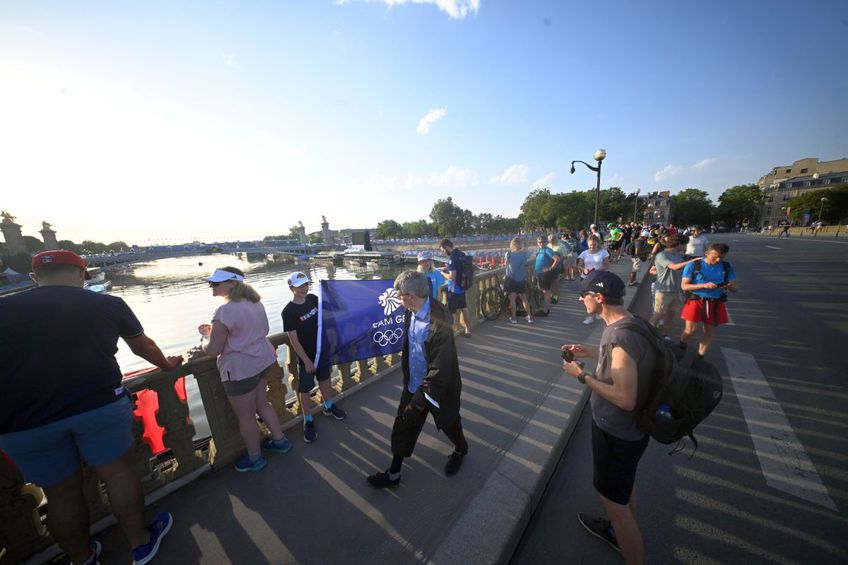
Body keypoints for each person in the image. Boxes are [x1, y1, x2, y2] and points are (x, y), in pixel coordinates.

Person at [0, 250, 180, 565]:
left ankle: (82, 558)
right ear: (83, 274)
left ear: (34, 277)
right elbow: (143, 346)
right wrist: (166, 364)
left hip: (24, 420)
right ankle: (140, 542)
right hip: (98, 406)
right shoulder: (108, 304)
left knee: (59, 493)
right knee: (118, 474)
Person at [561, 270, 656, 565]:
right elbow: (620, 359)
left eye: (584, 295)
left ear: (599, 298)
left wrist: (582, 376)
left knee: (613, 500)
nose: (580, 299)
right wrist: (589, 351)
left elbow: (625, 398)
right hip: (632, 431)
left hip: (617, 432)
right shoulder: (629, 321)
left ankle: (621, 531)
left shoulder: (620, 336)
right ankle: (618, 521)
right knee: (622, 486)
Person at [367, 271, 469, 488]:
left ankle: (461, 449)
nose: (399, 300)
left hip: (438, 388)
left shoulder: (440, 324)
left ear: (411, 295)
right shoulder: (411, 310)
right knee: (403, 427)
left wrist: (418, 402)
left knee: (450, 423)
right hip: (414, 384)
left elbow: (440, 372)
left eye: (400, 296)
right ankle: (394, 474)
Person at [199, 267, 292, 472]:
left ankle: (254, 458)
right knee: (263, 403)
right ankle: (280, 441)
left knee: (246, 416)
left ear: (232, 283)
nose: (211, 286)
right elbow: (262, 331)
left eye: (216, 283)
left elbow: (214, 350)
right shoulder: (256, 303)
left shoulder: (224, 311)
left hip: (240, 369)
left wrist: (205, 337)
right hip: (261, 360)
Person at [282, 271, 346, 444]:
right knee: (305, 389)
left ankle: (328, 407)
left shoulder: (311, 299)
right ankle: (308, 420)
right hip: (307, 357)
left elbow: (334, 309)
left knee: (325, 380)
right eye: (299, 286)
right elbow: (293, 340)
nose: (303, 288)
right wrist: (306, 360)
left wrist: (330, 290)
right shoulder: (288, 311)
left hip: (322, 351)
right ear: (291, 288)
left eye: (305, 285)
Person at [680, 243, 738, 357]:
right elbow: (684, 286)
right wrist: (703, 285)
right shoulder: (694, 265)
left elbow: (735, 288)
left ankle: (699, 357)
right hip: (696, 300)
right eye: (714, 257)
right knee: (690, 331)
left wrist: (729, 286)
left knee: (709, 332)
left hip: (714, 302)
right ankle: (682, 344)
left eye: (721, 257)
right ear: (706, 253)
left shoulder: (726, 266)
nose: (718, 260)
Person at [649, 234, 700, 340]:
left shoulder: (678, 256)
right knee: (659, 315)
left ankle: (665, 336)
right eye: (685, 244)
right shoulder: (662, 255)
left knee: (671, 315)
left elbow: (683, 271)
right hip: (664, 290)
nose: (686, 247)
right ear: (679, 244)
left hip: (677, 290)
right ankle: (648, 335)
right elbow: (675, 267)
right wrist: (692, 261)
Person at [439, 239, 472, 338]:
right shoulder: (461, 254)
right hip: (462, 287)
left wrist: (442, 273)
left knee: (452, 312)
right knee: (464, 309)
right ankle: (468, 330)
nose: (444, 252)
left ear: (446, 247)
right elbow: (460, 269)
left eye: (443, 250)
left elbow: (452, 277)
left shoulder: (452, 257)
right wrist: (448, 269)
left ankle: (451, 335)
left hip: (454, 289)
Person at [577, 235, 611, 325]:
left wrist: (597, 271)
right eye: (590, 245)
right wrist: (584, 269)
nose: (592, 246)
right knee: (587, 298)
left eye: (594, 244)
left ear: (598, 244)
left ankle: (598, 312)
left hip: (599, 277)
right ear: (588, 244)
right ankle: (590, 316)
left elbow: (607, 266)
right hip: (586, 278)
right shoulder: (584, 253)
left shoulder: (603, 252)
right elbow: (579, 265)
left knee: (598, 296)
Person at [504, 237, 533, 324]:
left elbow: (506, 264)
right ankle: (529, 317)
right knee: (524, 298)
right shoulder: (525, 254)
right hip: (521, 279)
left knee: (512, 299)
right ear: (521, 244)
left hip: (511, 279)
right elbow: (530, 253)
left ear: (512, 244)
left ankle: (513, 318)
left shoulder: (508, 254)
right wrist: (523, 248)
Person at [534, 234, 560, 317]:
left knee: (546, 292)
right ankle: (545, 308)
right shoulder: (539, 250)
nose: (541, 244)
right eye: (539, 242)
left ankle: (545, 311)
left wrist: (550, 268)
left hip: (545, 274)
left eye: (543, 242)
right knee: (543, 290)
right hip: (539, 273)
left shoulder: (547, 250)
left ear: (546, 242)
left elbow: (557, 259)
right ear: (537, 243)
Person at [547, 234, 567, 303]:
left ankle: (555, 299)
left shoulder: (561, 246)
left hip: (557, 266)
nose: (551, 242)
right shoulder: (548, 245)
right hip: (549, 266)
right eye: (550, 241)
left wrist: (557, 259)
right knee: (550, 283)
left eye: (552, 241)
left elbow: (565, 256)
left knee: (555, 283)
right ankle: (550, 297)